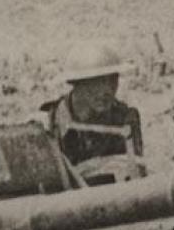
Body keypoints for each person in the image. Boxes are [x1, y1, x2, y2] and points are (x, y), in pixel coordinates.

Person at [41, 43, 144, 182]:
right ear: (77, 83)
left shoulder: (124, 118)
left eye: (113, 80)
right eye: (98, 82)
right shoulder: (47, 125)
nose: (107, 90)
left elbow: (136, 178)